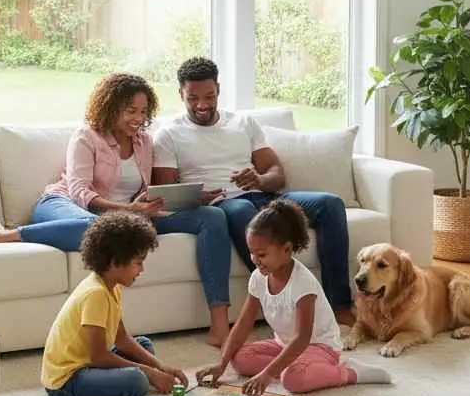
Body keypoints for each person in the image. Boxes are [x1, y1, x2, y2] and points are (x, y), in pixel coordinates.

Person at [0, 72, 233, 345]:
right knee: (96, 229)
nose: (138, 118)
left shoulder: (144, 141)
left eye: (143, 111)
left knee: (212, 216)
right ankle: (4, 235)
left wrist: (173, 200)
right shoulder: (86, 136)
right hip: (65, 204)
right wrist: (127, 211)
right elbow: (80, 192)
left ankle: (219, 324)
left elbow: (144, 188)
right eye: (131, 111)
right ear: (111, 107)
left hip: (127, 216)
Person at [152, 56, 355, 320]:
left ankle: (338, 305)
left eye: (209, 96)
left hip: (264, 197)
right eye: (193, 98)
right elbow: (167, 191)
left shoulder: (243, 124)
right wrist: (199, 197)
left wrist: (259, 180)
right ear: (181, 94)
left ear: (218, 90)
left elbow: (276, 174)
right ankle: (283, 302)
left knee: (330, 204)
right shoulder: (169, 134)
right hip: (223, 204)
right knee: (241, 209)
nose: (202, 104)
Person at [196, 200, 390, 395]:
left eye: (261, 254)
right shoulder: (258, 278)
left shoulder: (302, 283)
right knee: (240, 358)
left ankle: (350, 372)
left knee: (292, 380)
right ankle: (294, 366)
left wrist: (268, 373)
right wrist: (221, 364)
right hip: (284, 344)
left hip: (318, 346)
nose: (255, 260)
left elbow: (302, 338)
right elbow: (244, 323)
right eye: (251, 252)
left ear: (287, 249)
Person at [42, 211, 188, 396]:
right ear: (113, 262)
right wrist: (149, 372)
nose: (142, 269)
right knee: (137, 380)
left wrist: (159, 367)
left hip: (90, 364)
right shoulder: (96, 294)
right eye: (138, 262)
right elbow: (99, 356)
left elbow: (121, 338)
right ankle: (112, 392)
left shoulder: (112, 287)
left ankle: (110, 392)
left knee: (144, 344)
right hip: (67, 379)